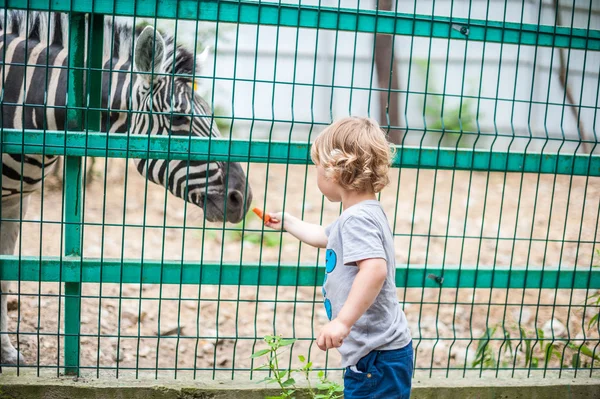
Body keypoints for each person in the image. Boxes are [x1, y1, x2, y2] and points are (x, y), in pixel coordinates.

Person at [264, 117, 413, 398]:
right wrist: (288, 222)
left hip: (376, 356)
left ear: (335, 170)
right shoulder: (366, 212)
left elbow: (374, 269)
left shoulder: (357, 219)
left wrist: (342, 322)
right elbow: (324, 236)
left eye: (316, 166)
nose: (316, 173)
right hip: (379, 353)